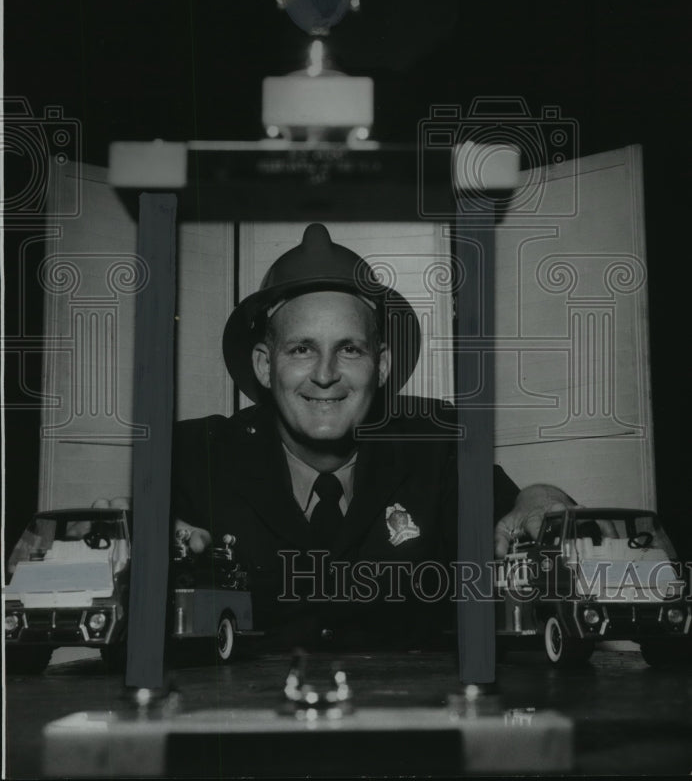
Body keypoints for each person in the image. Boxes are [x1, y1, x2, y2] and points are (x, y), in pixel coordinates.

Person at [173, 223, 573, 649]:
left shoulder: (438, 445)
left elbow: (512, 522)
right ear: (262, 364)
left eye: (350, 349)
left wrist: (543, 498)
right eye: (301, 349)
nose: (325, 375)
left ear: (380, 365)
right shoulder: (198, 456)